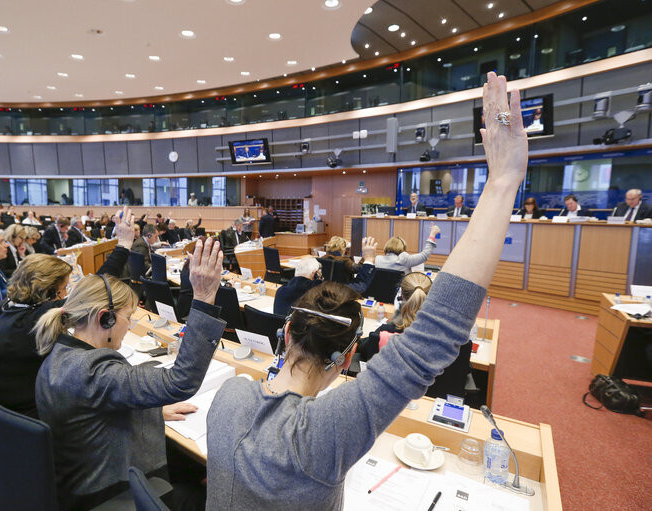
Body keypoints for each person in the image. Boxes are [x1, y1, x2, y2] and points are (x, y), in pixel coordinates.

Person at [205, 71, 528, 510]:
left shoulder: (229, 396)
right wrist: (503, 180)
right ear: (349, 357)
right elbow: (435, 333)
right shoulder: (327, 434)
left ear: (286, 333)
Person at [34, 237, 226, 511]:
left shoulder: (61, 352)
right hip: (108, 493)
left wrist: (151, 409)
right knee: (209, 496)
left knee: (187, 468)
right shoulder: (92, 371)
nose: (130, 325)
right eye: (129, 317)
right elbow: (180, 382)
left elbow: (93, 409)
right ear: (105, 318)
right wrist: (205, 299)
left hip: (83, 478)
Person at [0, 208, 136, 419]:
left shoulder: (14, 310)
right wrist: (123, 245)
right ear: (49, 292)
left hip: (1, 414)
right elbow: (96, 289)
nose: (66, 295)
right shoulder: (35, 319)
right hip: (28, 417)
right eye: (64, 289)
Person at [358, 273, 473, 401]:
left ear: (401, 296)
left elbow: (364, 349)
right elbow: (464, 369)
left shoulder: (386, 331)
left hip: (389, 401)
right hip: (435, 403)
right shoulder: (451, 338)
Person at [273, 241, 377, 316]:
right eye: (320, 273)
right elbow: (359, 286)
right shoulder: (319, 291)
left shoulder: (280, 291)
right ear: (315, 274)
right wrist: (368, 259)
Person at [374, 225, 439, 272]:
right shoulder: (404, 259)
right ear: (403, 247)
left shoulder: (378, 259)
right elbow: (425, 255)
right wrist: (432, 234)